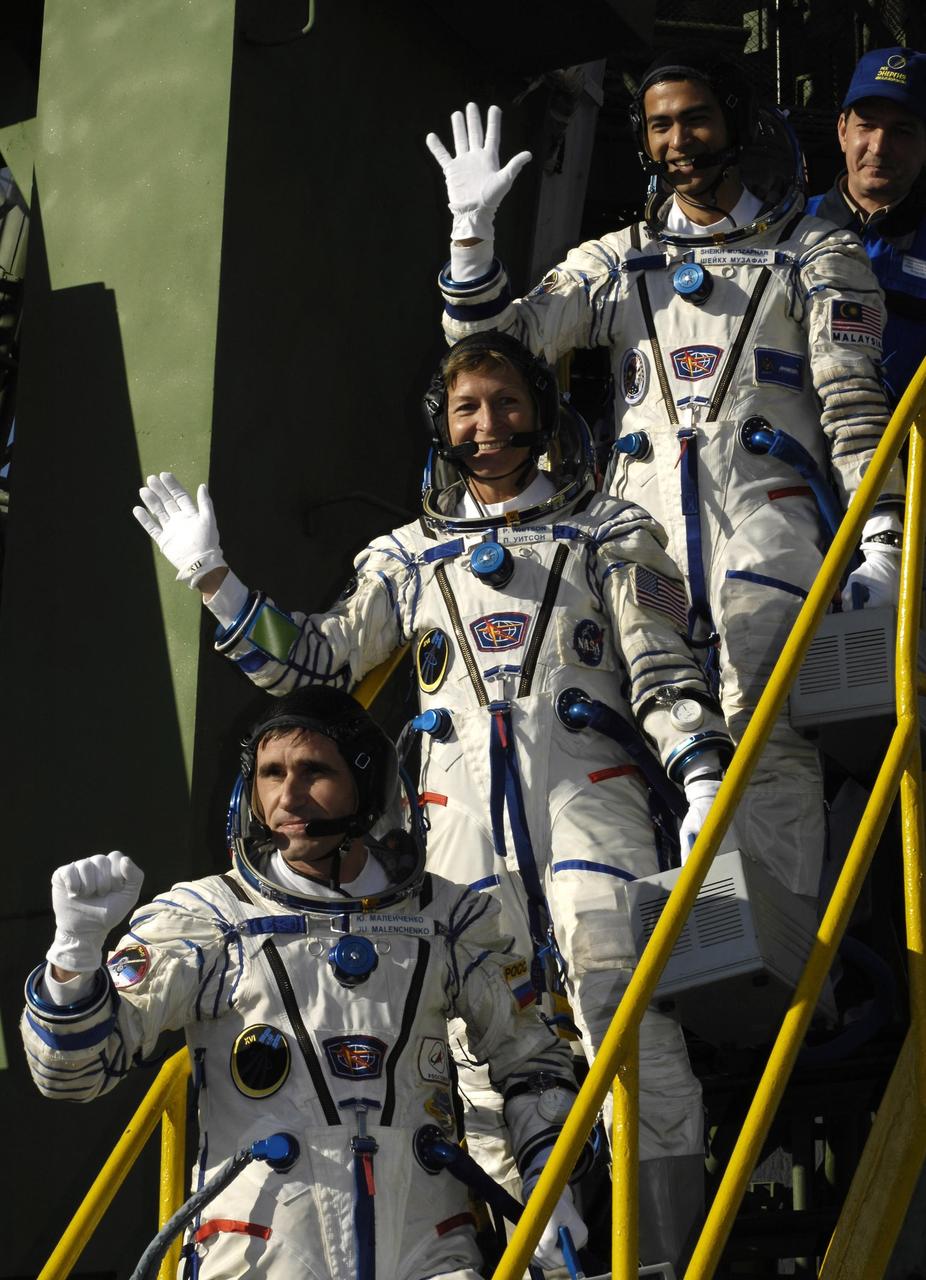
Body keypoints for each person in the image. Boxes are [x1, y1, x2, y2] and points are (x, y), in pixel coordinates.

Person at [131, 332, 739, 1269]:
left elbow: (663, 667)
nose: (487, 424)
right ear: (439, 428)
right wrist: (214, 580)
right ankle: (538, 1250)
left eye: (504, 403)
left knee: (624, 1008)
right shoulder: (406, 558)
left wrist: (699, 773)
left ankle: (663, 1253)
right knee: (478, 1059)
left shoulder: (612, 532)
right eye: (466, 408)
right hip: (461, 841)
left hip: (591, 811)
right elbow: (316, 658)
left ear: (541, 413)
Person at [426, 51, 906, 914]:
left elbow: (855, 411)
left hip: (770, 533)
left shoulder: (815, 251)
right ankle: (687, 949)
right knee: (661, 735)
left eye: (694, 120)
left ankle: (768, 961)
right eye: (658, 126)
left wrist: (883, 542)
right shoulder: (618, 262)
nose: (678, 142)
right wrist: (471, 235)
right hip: (641, 544)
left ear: (736, 124)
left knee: (767, 729)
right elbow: (495, 351)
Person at [22, 686, 590, 1279]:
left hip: (428, 1248)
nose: (287, 797)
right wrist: (73, 959)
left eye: (313, 771)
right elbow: (73, 1073)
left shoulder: (449, 918)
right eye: (271, 774)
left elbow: (530, 1060)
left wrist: (549, 1189)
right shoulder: (208, 918)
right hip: (262, 1253)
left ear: (366, 788)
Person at [806, 46, 926, 409]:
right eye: (867, 125)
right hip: (798, 454)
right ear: (843, 131)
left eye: (901, 131)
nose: (879, 146)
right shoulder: (789, 228)